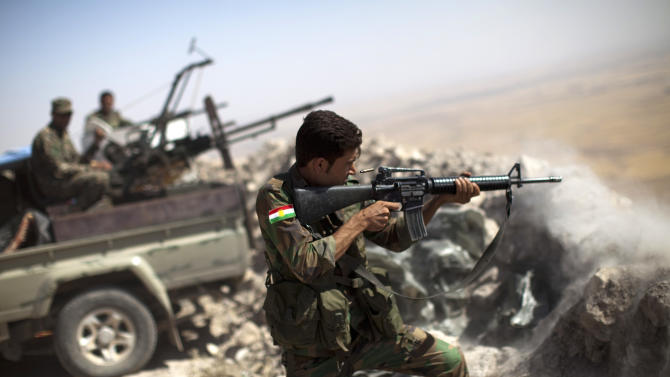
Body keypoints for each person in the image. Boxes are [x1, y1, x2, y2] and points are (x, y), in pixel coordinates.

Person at [255, 110, 480, 377]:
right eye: (348, 163)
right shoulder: (276, 199)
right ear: (319, 165)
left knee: (450, 361)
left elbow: (395, 239)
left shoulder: (345, 187)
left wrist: (439, 201)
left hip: (368, 329)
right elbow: (306, 264)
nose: (353, 170)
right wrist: (360, 221)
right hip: (315, 351)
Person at [31, 97, 112, 212]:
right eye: (62, 115)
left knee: (110, 174)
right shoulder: (46, 137)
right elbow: (59, 169)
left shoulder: (64, 135)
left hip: (67, 179)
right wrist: (91, 167)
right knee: (99, 179)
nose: (66, 119)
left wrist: (96, 144)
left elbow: (78, 161)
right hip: (55, 185)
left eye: (69, 115)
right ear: (53, 115)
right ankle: (73, 212)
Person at [82, 90, 133, 160]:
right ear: (101, 102)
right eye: (105, 102)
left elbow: (128, 124)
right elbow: (90, 125)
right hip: (99, 149)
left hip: (114, 146)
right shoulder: (94, 117)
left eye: (109, 102)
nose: (107, 104)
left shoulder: (116, 116)